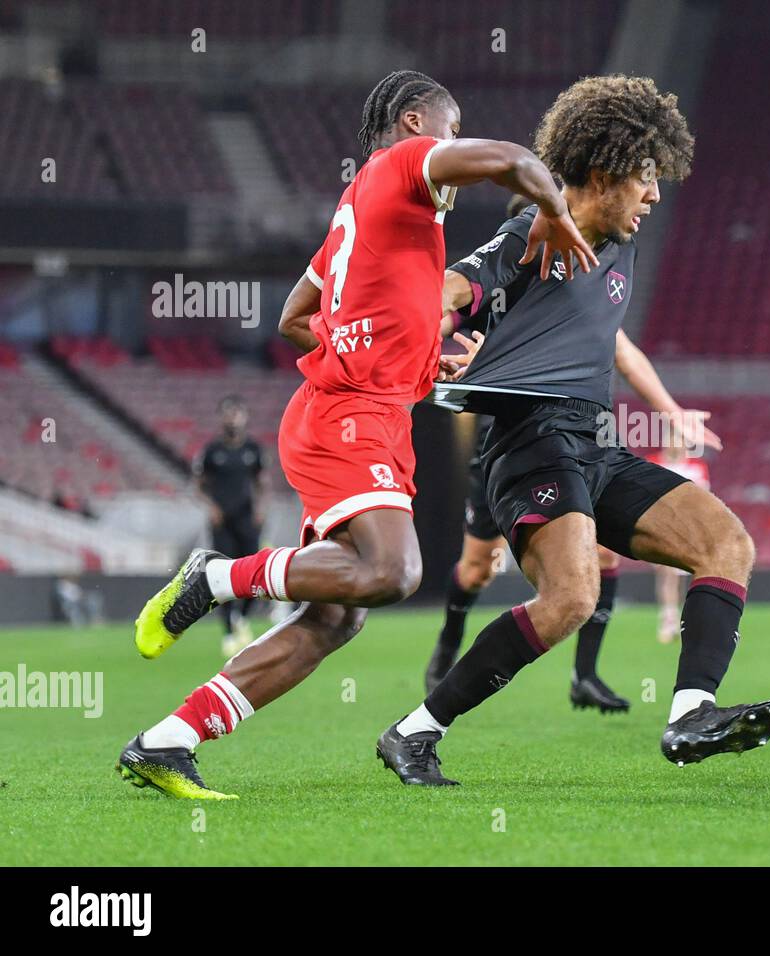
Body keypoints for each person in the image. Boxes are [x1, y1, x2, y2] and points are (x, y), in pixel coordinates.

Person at [116, 69, 595, 800]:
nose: (454, 140)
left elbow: (293, 315)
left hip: (364, 412)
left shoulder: (364, 207)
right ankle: (213, 576)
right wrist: (555, 211)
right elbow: (509, 160)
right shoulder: (404, 165)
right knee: (393, 574)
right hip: (348, 416)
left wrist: (406, 356)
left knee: (336, 617)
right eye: (449, 122)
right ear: (412, 122)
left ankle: (166, 741)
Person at [377, 75, 770, 787]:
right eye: (645, 179)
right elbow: (455, 289)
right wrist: (425, 332)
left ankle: (690, 713)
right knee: (572, 598)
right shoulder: (533, 233)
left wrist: (667, 409)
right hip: (530, 440)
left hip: (595, 443)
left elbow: (606, 337)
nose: (656, 197)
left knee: (727, 542)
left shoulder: (619, 244)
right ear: (601, 173)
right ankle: (414, 732)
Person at [427, 197, 722, 712]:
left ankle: (585, 674)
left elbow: (622, 350)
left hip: (568, 437)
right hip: (506, 437)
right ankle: (447, 649)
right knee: (476, 568)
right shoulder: (506, 272)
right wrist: (459, 364)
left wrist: (671, 412)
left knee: (601, 553)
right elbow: (437, 324)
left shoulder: (579, 281)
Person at [193, 395, 269, 657]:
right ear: (221, 418)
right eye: (228, 413)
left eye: (237, 413)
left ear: (245, 417)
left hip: (247, 520)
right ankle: (227, 630)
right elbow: (199, 485)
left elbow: (261, 482)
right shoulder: (212, 451)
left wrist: (260, 508)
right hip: (222, 521)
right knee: (222, 573)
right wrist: (212, 507)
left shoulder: (254, 450)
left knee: (252, 572)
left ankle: (243, 618)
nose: (232, 418)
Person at [647, 442, 712, 643]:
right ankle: (668, 619)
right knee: (666, 574)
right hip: (662, 524)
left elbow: (703, 498)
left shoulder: (697, 466)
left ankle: (684, 618)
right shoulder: (653, 462)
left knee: (686, 574)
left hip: (688, 526)